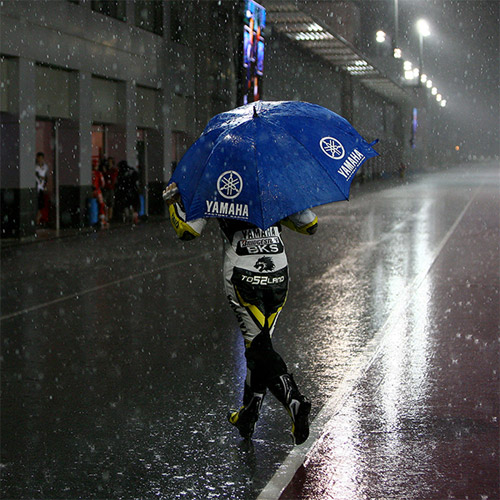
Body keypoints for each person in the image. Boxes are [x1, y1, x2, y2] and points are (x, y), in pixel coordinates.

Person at [164, 182, 318, 445]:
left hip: (243, 272)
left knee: (258, 346)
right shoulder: (273, 181)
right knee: (261, 345)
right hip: (278, 271)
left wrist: (172, 202)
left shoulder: (215, 181)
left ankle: (293, 400)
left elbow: (188, 230)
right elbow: (310, 225)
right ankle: (248, 414)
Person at [114, 160, 140, 224]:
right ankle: (134, 217)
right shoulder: (132, 171)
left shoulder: (121, 172)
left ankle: (127, 217)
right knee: (134, 204)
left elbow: (119, 181)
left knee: (126, 204)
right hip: (133, 190)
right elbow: (136, 178)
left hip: (125, 191)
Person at [35, 152, 49, 225]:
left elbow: (46, 177)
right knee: (37, 204)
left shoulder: (45, 167)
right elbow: (36, 175)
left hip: (41, 188)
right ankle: (37, 218)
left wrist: (45, 184)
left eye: (41, 158)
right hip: (36, 187)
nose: (40, 160)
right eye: (39, 158)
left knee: (40, 204)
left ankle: (38, 217)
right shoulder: (35, 167)